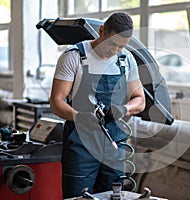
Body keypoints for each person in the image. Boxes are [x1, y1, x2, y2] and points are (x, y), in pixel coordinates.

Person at [49, 12, 145, 198]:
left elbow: (139, 100)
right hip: (80, 146)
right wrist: (80, 116)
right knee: (78, 196)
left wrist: (123, 109)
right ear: (101, 31)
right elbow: (56, 102)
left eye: (121, 46)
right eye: (111, 44)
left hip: (114, 144)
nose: (115, 51)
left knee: (114, 195)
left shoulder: (126, 59)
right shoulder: (74, 56)